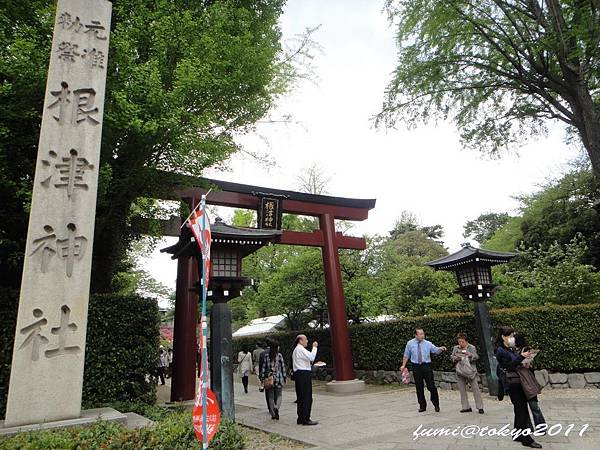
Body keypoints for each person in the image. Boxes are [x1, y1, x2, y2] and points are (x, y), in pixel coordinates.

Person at [495, 326, 543, 448]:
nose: (512, 338)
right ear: (503, 337)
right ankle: (526, 439)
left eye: (513, 336)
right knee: (522, 411)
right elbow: (509, 366)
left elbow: (515, 362)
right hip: (512, 383)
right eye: (510, 336)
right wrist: (522, 357)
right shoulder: (500, 350)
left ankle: (517, 434)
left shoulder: (508, 348)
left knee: (519, 410)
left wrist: (524, 359)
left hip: (517, 381)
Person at [399, 328, 447, 412]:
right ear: (416, 335)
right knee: (419, 386)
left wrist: (440, 349)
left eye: (423, 334)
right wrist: (403, 365)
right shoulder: (410, 343)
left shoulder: (428, 343)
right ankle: (422, 405)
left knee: (431, 385)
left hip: (426, 365)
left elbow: (435, 350)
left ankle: (436, 404)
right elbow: (406, 355)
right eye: (420, 334)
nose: (422, 336)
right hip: (416, 366)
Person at [515, 333, 546, 432]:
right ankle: (528, 427)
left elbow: (533, 364)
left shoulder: (526, 350)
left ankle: (541, 427)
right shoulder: (511, 351)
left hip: (528, 380)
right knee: (524, 407)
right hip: (519, 380)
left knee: (534, 405)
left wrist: (529, 363)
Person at [451, 333, 484, 414]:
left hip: (470, 371)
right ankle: (466, 407)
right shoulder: (456, 348)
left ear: (466, 341)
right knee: (462, 390)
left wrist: (470, 355)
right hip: (460, 370)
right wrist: (456, 358)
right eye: (459, 342)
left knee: (475, 389)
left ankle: (480, 407)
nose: (460, 343)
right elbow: (452, 357)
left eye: (462, 342)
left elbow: (476, 357)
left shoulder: (471, 347)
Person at [292, 334, 318, 425]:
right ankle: (306, 418)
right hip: (303, 374)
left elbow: (306, 360)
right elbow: (311, 357)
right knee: (307, 397)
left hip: (299, 374)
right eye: (305, 339)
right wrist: (314, 347)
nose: (307, 341)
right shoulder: (300, 349)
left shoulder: (297, 349)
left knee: (301, 397)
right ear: (300, 340)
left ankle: (301, 417)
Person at [262, 339, 287, 420]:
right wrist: (284, 377)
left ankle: (273, 414)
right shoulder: (279, 356)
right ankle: (277, 407)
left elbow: (263, 368)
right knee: (279, 394)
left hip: (270, 378)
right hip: (279, 378)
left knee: (270, 396)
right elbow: (283, 367)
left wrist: (262, 378)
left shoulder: (266, 356)